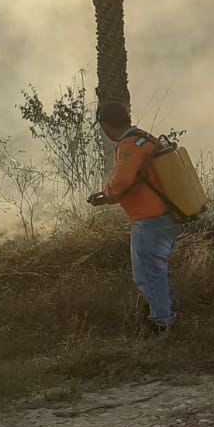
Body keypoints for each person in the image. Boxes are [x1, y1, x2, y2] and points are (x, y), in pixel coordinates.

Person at [87, 100, 182, 333]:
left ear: (106, 125)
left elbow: (121, 181)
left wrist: (106, 195)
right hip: (166, 216)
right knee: (155, 270)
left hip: (149, 220)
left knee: (149, 274)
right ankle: (162, 313)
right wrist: (107, 194)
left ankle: (162, 323)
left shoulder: (129, 145)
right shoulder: (145, 138)